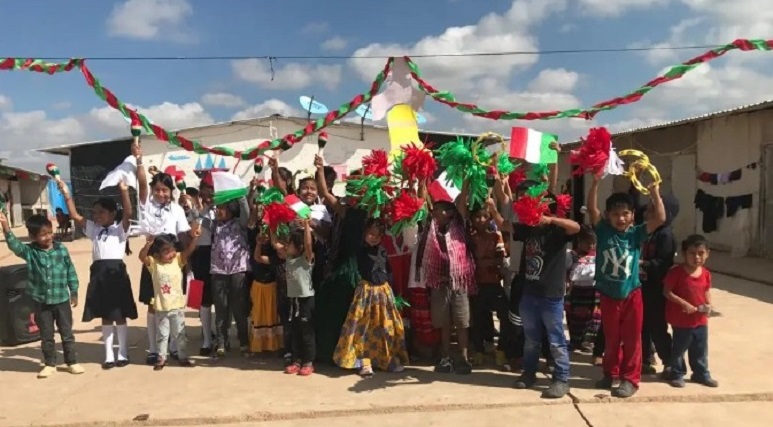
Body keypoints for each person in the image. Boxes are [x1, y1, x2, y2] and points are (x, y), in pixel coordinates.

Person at [488, 191, 580, 398]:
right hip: (529, 294)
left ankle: (561, 378)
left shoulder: (557, 231)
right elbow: (504, 225)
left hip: (551, 296)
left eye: (543, 207)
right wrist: (493, 209)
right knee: (531, 339)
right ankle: (529, 373)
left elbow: (576, 227)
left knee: (556, 340)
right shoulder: (528, 229)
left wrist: (551, 219)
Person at [586, 174, 665, 398]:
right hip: (609, 296)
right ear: (608, 216)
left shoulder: (635, 233)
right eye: (615, 214)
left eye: (625, 214)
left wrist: (655, 192)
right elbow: (592, 210)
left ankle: (630, 379)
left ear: (632, 216)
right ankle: (609, 374)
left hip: (632, 295)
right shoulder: (603, 231)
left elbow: (659, 218)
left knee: (632, 339)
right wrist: (594, 183)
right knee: (611, 338)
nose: (620, 218)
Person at [57, 180, 138, 369]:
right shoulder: (94, 229)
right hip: (99, 274)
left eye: (101, 212)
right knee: (105, 314)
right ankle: (109, 355)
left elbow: (128, 213)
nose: (96, 215)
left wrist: (124, 191)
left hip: (116, 273)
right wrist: (66, 192)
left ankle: (123, 352)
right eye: (94, 212)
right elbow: (75, 215)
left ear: (112, 213)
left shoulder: (120, 229)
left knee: (119, 314)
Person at [0, 212, 85, 378]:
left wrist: (73, 290)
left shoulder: (61, 249)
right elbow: (15, 246)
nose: (48, 237)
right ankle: (50, 363)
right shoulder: (30, 252)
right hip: (41, 301)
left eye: (49, 233)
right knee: (46, 335)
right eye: (43, 235)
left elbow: (70, 270)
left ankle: (72, 362)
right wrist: (6, 227)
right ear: (33, 237)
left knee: (66, 332)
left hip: (62, 299)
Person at [133, 143, 192, 365]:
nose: (160, 193)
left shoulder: (177, 210)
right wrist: (139, 159)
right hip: (151, 259)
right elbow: (140, 184)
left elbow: (184, 236)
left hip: (172, 260)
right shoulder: (146, 204)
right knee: (153, 303)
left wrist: (188, 262)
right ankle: (154, 349)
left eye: (165, 190)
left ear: (170, 192)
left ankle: (175, 347)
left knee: (174, 303)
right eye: (157, 189)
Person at [333, 219, 409, 376]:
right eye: (370, 234)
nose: (374, 238)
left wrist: (393, 292)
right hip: (366, 294)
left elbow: (389, 272)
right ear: (364, 233)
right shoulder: (359, 250)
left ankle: (386, 360)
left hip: (383, 294)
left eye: (378, 235)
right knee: (364, 328)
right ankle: (365, 362)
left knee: (386, 327)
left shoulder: (383, 251)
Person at [420, 181, 476, 375]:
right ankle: (446, 358)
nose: (435, 213)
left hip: (458, 281)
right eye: (434, 210)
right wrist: (422, 182)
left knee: (462, 322)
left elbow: (462, 201)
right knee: (443, 323)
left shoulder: (459, 223)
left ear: (450, 213)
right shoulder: (433, 227)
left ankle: (464, 358)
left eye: (439, 210)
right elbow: (423, 201)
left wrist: (465, 180)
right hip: (439, 281)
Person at [139, 229, 200, 370]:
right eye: (166, 252)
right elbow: (142, 257)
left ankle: (182, 356)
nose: (171, 254)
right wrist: (148, 245)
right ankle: (161, 358)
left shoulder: (178, 260)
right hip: (161, 307)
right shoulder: (154, 264)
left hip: (177, 307)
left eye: (172, 250)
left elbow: (189, 250)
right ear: (156, 255)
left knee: (180, 334)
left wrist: (195, 238)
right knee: (162, 335)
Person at [663, 235, 718, 388]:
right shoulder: (677, 272)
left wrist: (709, 304)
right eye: (692, 253)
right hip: (681, 320)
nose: (697, 257)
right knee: (680, 348)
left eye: (701, 253)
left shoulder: (705, 273)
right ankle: (677, 373)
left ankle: (701, 373)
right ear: (684, 254)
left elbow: (706, 290)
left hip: (700, 320)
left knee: (700, 348)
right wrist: (684, 303)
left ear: (707, 253)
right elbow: (667, 292)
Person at [640, 195, 679, 376]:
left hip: (657, 287)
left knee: (657, 327)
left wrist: (642, 264)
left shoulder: (665, 235)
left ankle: (670, 362)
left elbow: (663, 263)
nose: (647, 213)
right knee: (643, 325)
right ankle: (645, 359)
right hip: (644, 286)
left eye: (651, 209)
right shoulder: (649, 232)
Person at [211, 195, 252, 357]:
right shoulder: (214, 225)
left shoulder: (239, 224)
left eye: (222, 208)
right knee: (221, 308)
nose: (218, 211)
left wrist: (242, 197)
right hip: (218, 271)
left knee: (239, 308)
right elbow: (198, 218)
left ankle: (243, 341)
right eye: (217, 208)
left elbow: (246, 215)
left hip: (238, 270)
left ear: (231, 210)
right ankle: (222, 341)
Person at [273, 220, 316, 376]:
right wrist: (271, 223)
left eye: (290, 244)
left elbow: (309, 245)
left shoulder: (306, 259)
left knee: (306, 332)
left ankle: (308, 362)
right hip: (293, 301)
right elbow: (274, 243)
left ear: (299, 248)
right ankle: (297, 360)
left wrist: (305, 226)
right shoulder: (288, 258)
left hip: (305, 301)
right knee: (295, 331)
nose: (286, 246)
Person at [467, 205, 507, 367]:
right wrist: (485, 262)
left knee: (505, 316)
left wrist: (481, 262)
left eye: (485, 216)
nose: (481, 220)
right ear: (471, 220)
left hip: (494, 283)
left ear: (490, 218)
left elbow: (500, 259)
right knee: (477, 318)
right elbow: (468, 261)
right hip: (476, 285)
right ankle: (479, 350)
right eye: (477, 217)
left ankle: (501, 349)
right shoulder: (469, 238)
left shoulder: (496, 236)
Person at [565, 225, 600, 354]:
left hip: (592, 292)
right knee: (575, 318)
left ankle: (588, 341)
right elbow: (566, 272)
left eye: (593, 243)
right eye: (587, 243)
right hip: (576, 292)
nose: (590, 246)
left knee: (592, 318)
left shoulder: (597, 256)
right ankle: (575, 341)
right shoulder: (571, 255)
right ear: (579, 241)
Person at [191, 176, 216, 355]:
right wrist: (197, 215)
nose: (208, 193)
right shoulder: (194, 210)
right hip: (201, 254)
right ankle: (207, 339)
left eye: (212, 189)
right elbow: (190, 232)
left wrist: (203, 217)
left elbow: (220, 229)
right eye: (205, 188)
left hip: (220, 254)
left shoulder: (225, 208)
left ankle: (221, 336)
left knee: (222, 299)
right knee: (203, 299)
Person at [249, 230, 283, 353]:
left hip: (272, 287)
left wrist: (274, 239)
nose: (265, 236)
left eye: (268, 233)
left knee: (272, 316)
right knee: (259, 316)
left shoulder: (276, 253)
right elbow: (256, 257)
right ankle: (260, 345)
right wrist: (258, 243)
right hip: (258, 286)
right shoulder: (255, 245)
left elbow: (261, 259)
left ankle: (275, 345)